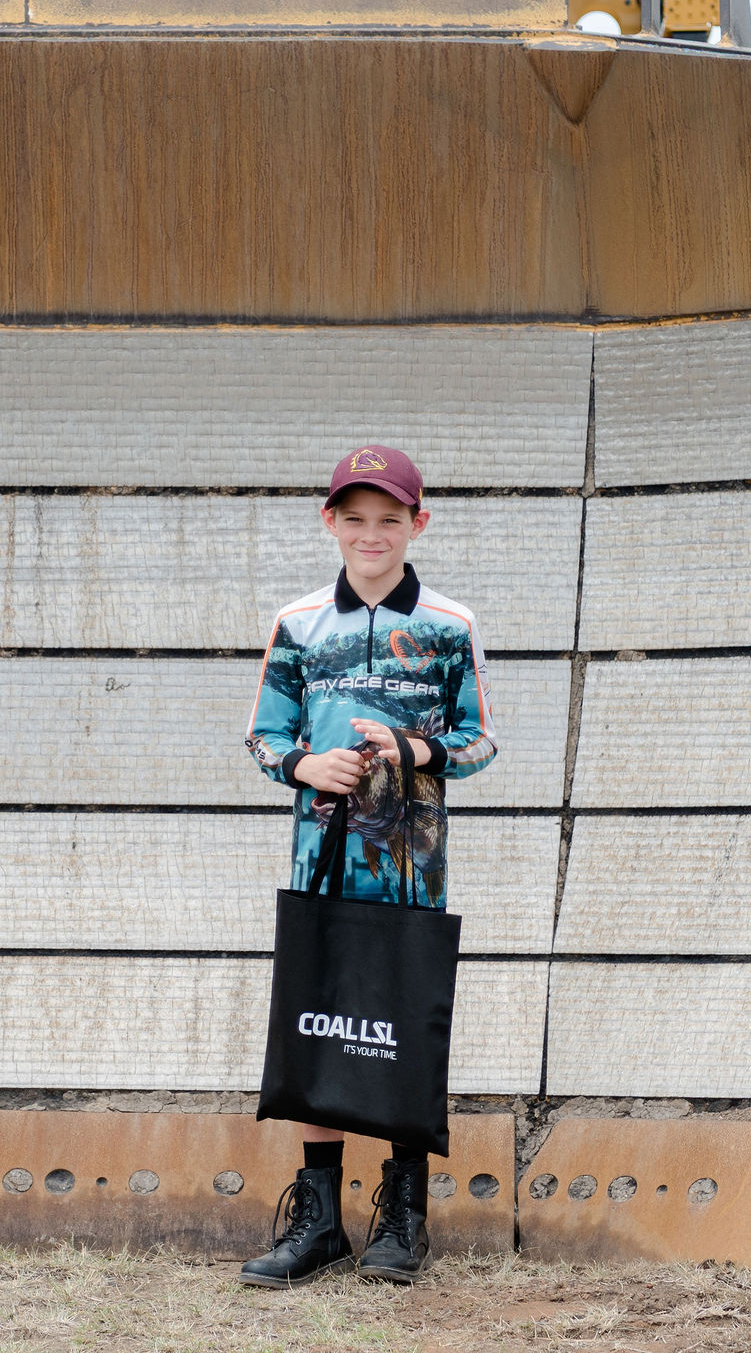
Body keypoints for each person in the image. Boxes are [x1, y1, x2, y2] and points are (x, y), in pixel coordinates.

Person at [239, 444, 497, 1287]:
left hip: (411, 868)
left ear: (418, 523)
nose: (371, 534)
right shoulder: (300, 621)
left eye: (390, 518)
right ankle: (318, 1222)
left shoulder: (450, 624)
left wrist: (415, 749)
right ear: (330, 522)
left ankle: (403, 1216)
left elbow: (480, 740)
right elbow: (263, 734)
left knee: (402, 1021)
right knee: (317, 1018)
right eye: (354, 518)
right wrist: (305, 765)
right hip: (319, 859)